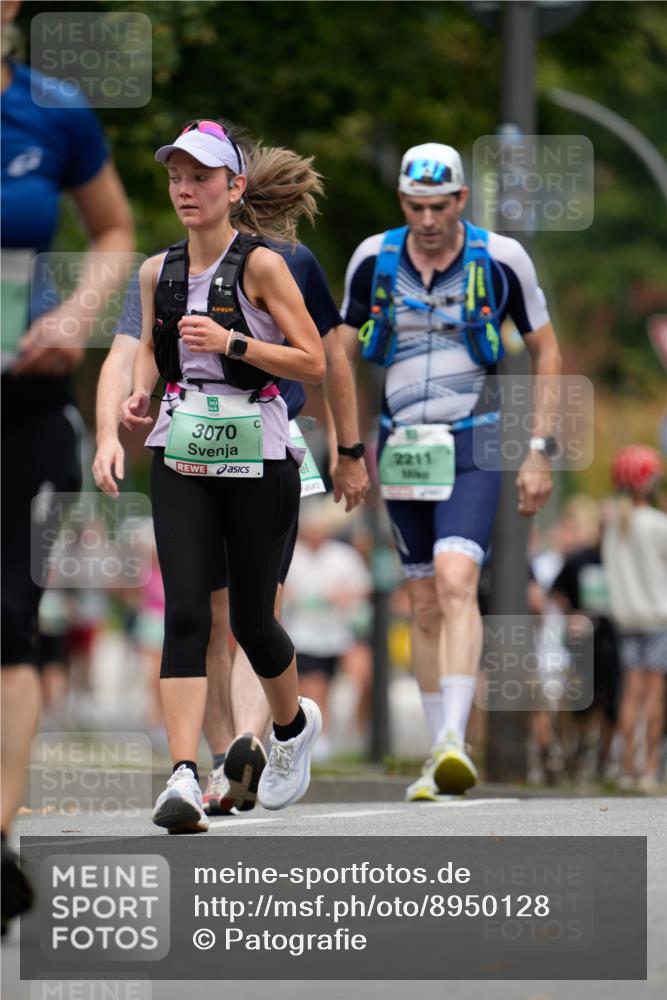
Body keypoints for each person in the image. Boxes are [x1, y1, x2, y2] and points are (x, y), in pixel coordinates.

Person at [93, 131, 369, 814]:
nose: (185, 190)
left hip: (261, 452)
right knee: (186, 610)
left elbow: (314, 359)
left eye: (201, 177)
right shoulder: (158, 270)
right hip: (181, 452)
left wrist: (232, 343)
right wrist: (140, 391)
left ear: (234, 188)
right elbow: (151, 349)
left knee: (251, 621)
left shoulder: (269, 266)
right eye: (176, 178)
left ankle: (289, 723)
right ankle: (184, 771)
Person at [341, 142, 561, 801]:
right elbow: (338, 351)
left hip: (474, 439)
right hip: (399, 442)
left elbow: (546, 351)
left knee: (456, 576)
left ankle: (452, 742)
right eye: (415, 206)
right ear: (401, 202)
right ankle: (436, 756)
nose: (428, 219)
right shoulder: (371, 260)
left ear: (462, 200)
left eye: (440, 206)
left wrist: (538, 448)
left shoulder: (500, 259)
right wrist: (348, 447)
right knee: (422, 600)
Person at [1, 0, 134, 931]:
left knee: (9, 617)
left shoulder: (52, 111)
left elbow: (115, 230)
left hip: (22, 406)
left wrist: (80, 315)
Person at [602, 445, 667, 791]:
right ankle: (648, 767)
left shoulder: (613, 526)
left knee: (630, 692)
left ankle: (626, 766)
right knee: (654, 694)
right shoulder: (658, 524)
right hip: (657, 620)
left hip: (625, 618)